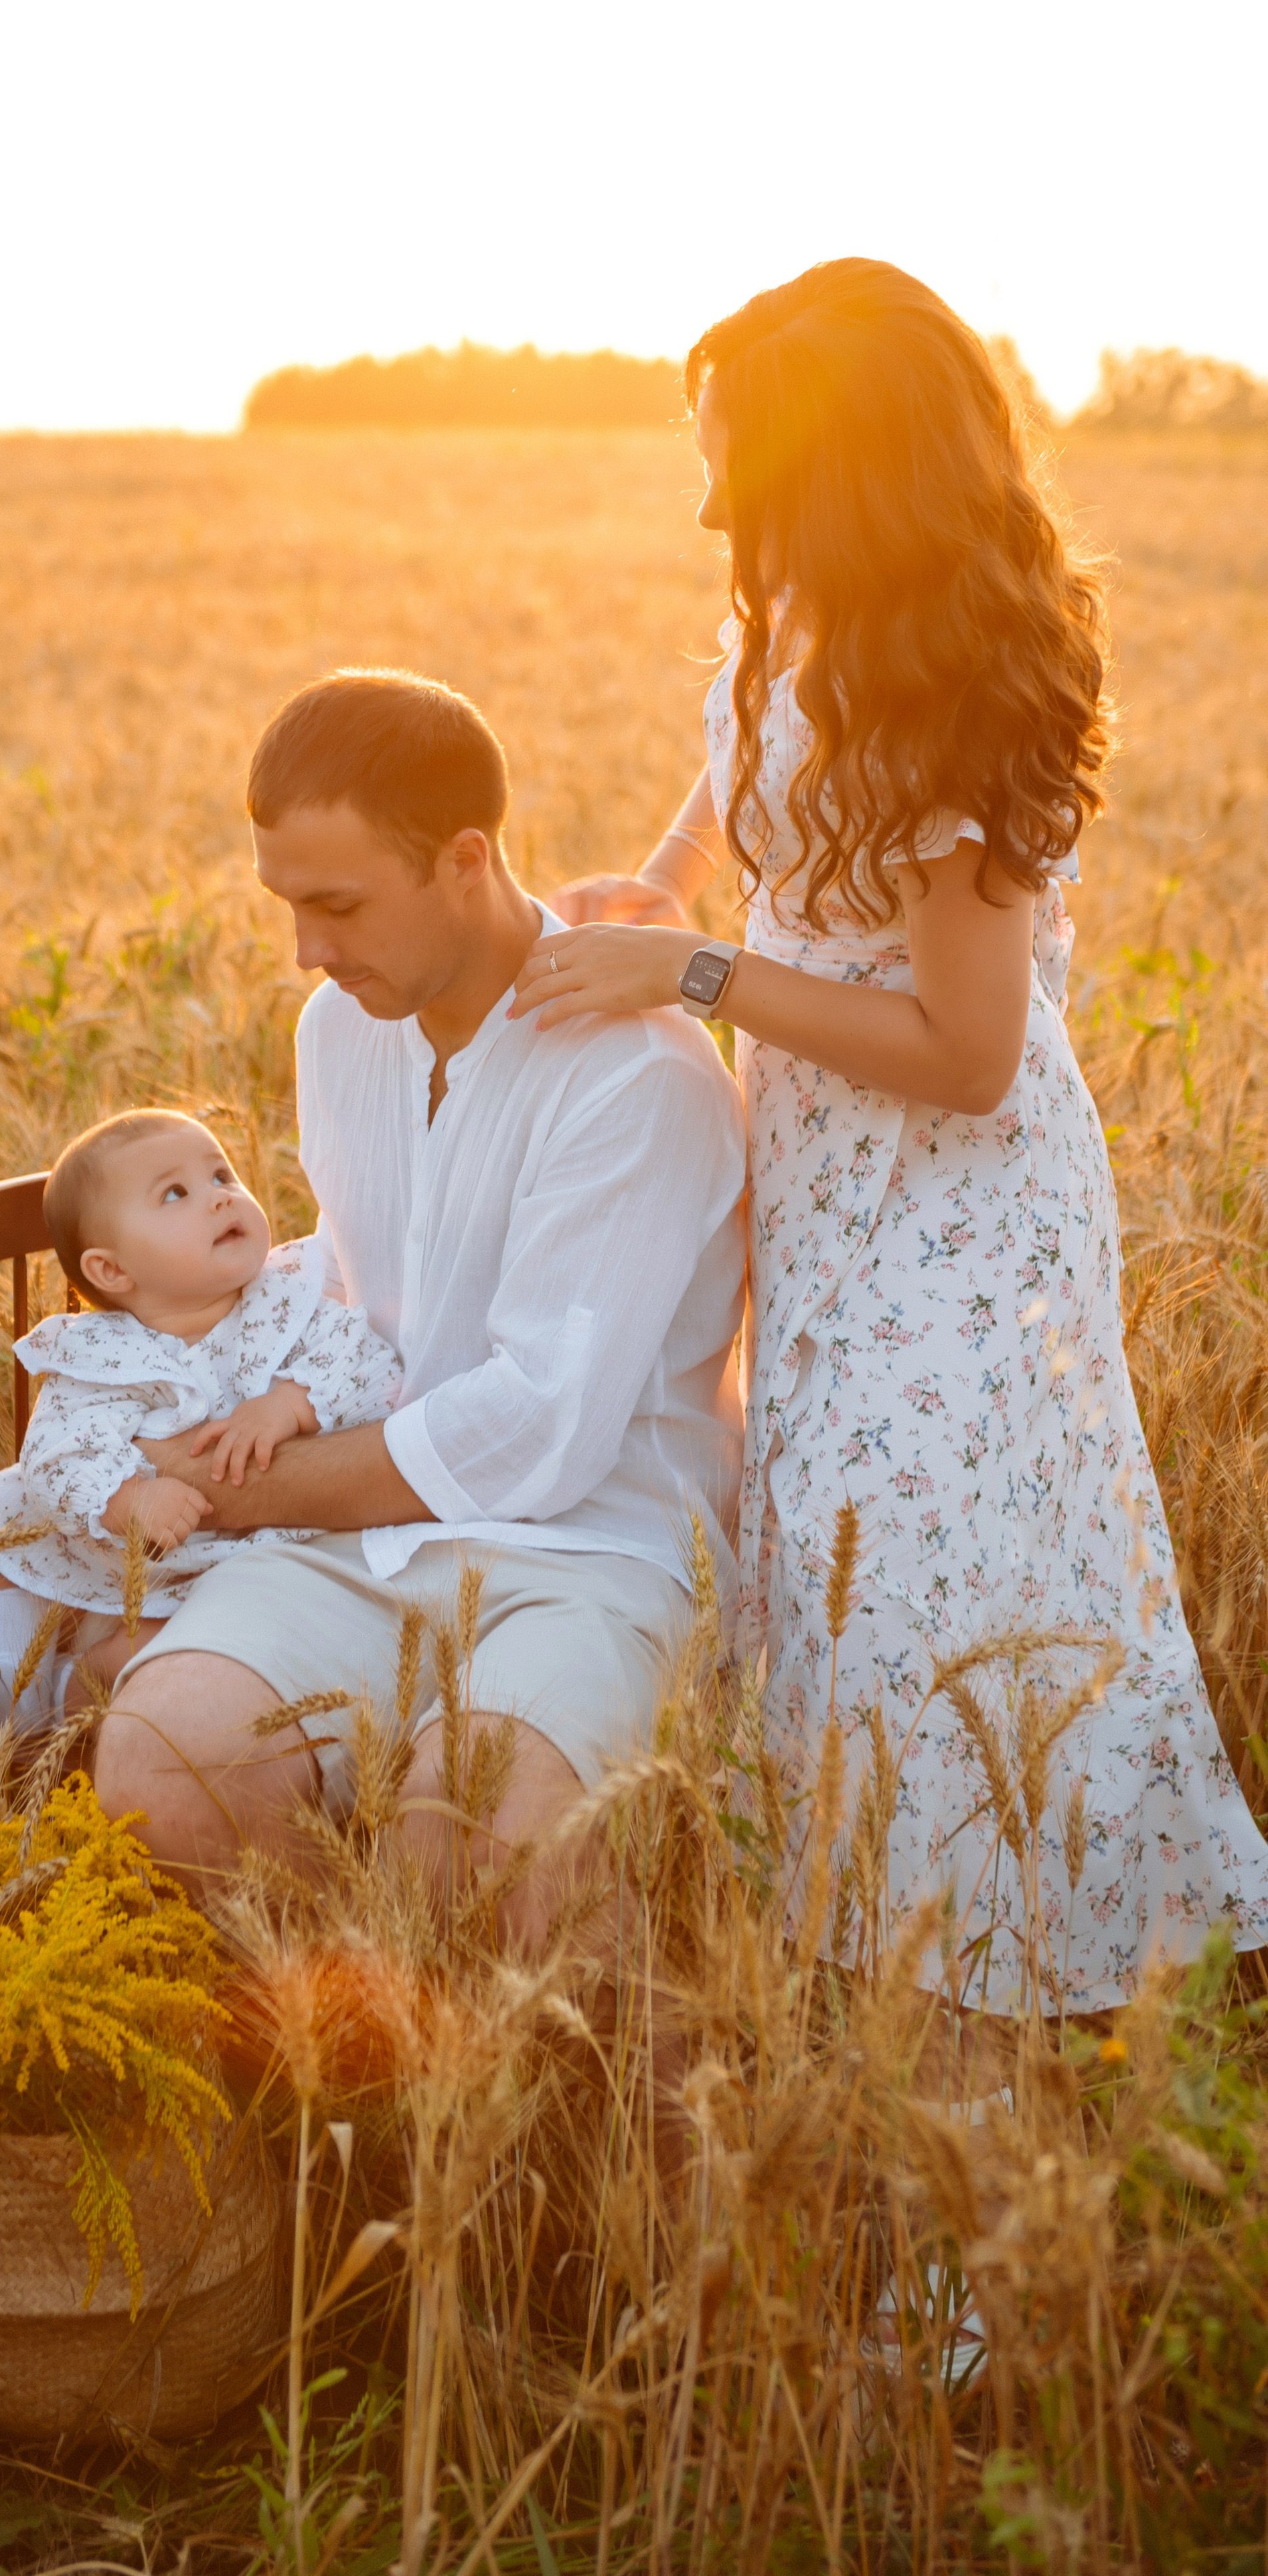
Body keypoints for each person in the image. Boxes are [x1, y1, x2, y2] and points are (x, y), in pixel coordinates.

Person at [511, 258, 1268, 2010]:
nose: (705, 500)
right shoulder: (789, 614)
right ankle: (887, 2016)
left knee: (942, 1604)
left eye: (732, 464)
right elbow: (736, 780)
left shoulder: (953, 691)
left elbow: (974, 1052)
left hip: (957, 1217)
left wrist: (696, 968)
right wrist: (668, 883)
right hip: (825, 1187)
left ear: (831, 474)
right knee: (838, 1600)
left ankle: (1015, 2021)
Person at [86, 669, 748, 1943]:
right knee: (163, 1769)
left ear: (463, 859)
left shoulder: (638, 1072)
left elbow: (538, 1427)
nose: (308, 954)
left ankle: (516, 2099)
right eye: (288, 906)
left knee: (479, 1831)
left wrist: (219, 1494)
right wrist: (137, 1425)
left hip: (590, 1552)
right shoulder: (340, 1029)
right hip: (357, 1541)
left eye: (337, 906)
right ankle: (360, 2069)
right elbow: (353, 1277)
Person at [0, 1109, 400, 1735]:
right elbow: (60, 1452)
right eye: (176, 1194)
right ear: (113, 1271)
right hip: (112, 1549)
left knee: (160, 1654)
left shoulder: (286, 1301)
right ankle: (5, 1674)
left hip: (234, 1565)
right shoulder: (100, 1353)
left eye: (222, 1176)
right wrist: (128, 1496)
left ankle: (63, 1695)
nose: (219, 1199)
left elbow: (372, 1366)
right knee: (0, 1533)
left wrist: (288, 1404)